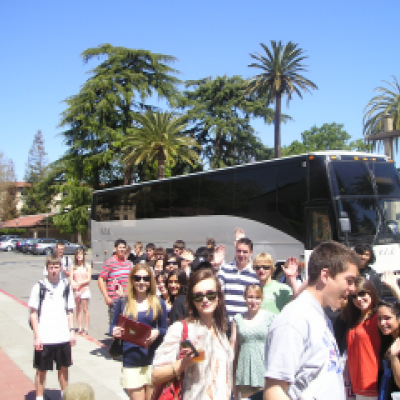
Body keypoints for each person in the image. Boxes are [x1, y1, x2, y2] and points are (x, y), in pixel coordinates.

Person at [263, 241, 360, 400]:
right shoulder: (294, 319)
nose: (353, 289)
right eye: (349, 281)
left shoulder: (320, 317)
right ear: (325, 276)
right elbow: (274, 391)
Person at [152, 268, 233, 399]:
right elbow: (155, 376)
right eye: (198, 296)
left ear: (218, 297)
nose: (205, 300)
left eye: (210, 294)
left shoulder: (220, 330)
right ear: (192, 300)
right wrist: (183, 364)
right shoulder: (180, 329)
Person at [112, 263, 168, 400]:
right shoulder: (123, 302)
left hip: (152, 360)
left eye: (145, 278)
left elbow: (164, 329)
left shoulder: (158, 303)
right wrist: (114, 331)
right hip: (131, 360)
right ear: (132, 280)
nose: (141, 282)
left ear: (150, 281)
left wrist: (157, 332)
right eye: (137, 278)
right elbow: (113, 325)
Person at [29, 254, 76, 400]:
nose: (54, 270)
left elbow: (70, 311)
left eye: (56, 267)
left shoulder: (66, 286)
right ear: (47, 268)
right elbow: (33, 314)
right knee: (41, 371)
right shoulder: (39, 287)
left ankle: (65, 395)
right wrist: (37, 337)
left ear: (61, 268)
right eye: (51, 267)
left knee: (63, 369)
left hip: (62, 337)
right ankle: (39, 397)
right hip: (45, 338)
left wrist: (72, 332)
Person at [230, 284, 274, 400]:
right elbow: (233, 348)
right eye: (250, 297)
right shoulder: (238, 319)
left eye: (257, 297)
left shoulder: (270, 317)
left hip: (264, 371)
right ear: (245, 298)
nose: (253, 301)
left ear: (262, 299)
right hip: (245, 372)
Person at [218, 237, 259, 321]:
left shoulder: (255, 274)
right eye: (239, 251)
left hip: (245, 322)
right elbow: (217, 288)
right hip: (226, 321)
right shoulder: (225, 269)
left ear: (251, 253)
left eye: (245, 252)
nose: (241, 254)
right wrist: (216, 265)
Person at [98, 239, 132, 326]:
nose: (122, 249)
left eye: (124, 247)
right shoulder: (109, 262)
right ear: (115, 248)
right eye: (120, 247)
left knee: (127, 326)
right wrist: (106, 297)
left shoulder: (128, 263)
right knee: (115, 326)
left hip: (127, 299)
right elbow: (101, 279)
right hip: (114, 300)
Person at [376, 282, 400, 397]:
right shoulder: (386, 338)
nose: (382, 323)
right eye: (379, 319)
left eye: (387, 318)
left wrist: (394, 357)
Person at [70, 248, 92, 336]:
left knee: (85, 309)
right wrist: (74, 284)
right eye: (77, 254)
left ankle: (86, 328)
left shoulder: (87, 266)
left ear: (83, 256)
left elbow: (88, 279)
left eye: (81, 254)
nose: (79, 256)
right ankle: (79, 327)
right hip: (76, 290)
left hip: (85, 289)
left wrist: (80, 283)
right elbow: (71, 278)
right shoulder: (73, 266)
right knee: (78, 309)